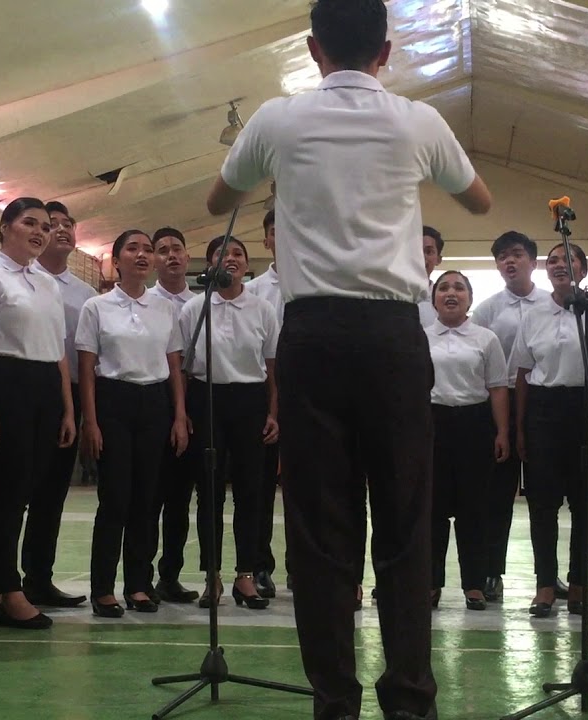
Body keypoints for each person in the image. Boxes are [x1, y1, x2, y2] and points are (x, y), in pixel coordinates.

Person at [205, 1, 491, 716]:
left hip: (312, 335)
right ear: (386, 51)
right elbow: (481, 203)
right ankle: (410, 700)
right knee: (405, 520)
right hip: (395, 337)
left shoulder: (276, 118)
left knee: (318, 528)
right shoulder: (417, 121)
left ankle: (334, 701)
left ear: (312, 47)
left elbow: (218, 201)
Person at [0, 197, 76, 630]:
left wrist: (68, 409)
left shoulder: (48, 282)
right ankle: (1, 587)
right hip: (5, 383)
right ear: (5, 227)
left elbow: (58, 354)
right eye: (29, 223)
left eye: (46, 226)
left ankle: (2, 585)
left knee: (34, 490)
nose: (40, 231)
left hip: (46, 388)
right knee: (8, 493)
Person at [76, 230, 189, 618]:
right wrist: (90, 421)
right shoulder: (97, 307)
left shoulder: (166, 309)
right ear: (116, 260)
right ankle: (103, 588)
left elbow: (174, 365)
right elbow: (87, 369)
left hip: (155, 403)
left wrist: (178, 415)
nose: (142, 255)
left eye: (147, 250)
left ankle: (138, 584)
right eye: (133, 249)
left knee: (147, 499)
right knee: (116, 499)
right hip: (113, 402)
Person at [179, 236, 280, 610]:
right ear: (209, 264)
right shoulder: (194, 308)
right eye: (221, 253)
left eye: (237, 253)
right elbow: (182, 366)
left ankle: (246, 575)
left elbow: (272, 368)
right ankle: (212, 576)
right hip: (207, 399)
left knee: (251, 493)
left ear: (246, 264)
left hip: (250, 401)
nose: (230, 259)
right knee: (209, 493)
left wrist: (273, 412)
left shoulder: (263, 309)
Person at [514, 244, 588, 617]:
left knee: (584, 503)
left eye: (568, 259)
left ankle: (578, 583)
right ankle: (544, 584)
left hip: (585, 409)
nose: (560, 265)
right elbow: (523, 373)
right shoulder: (533, 315)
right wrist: (522, 426)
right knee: (542, 504)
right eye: (553, 260)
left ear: (583, 270)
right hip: (543, 409)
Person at [22, 200, 97, 609]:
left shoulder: (86, 295)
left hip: (66, 394)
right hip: (22, 388)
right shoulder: (21, 277)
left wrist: (79, 411)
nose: (62, 230)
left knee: (52, 495)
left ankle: (39, 578)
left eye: (69, 224)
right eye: (53, 225)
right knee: (14, 492)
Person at [425, 270, 507, 611]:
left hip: (474, 424)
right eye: (443, 288)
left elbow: (498, 387)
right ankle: (430, 583)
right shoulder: (422, 337)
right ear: (434, 300)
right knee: (433, 511)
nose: (451, 293)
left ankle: (473, 584)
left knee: (474, 511)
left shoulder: (486, 338)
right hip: (432, 424)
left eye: (459, 287)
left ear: (470, 299)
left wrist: (502, 431)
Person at [468, 231, 541, 602]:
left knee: (545, 495)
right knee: (497, 495)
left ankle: (548, 579)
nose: (509, 262)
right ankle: (491, 570)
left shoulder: (550, 303)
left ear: (532, 260)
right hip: (500, 401)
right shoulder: (487, 309)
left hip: (543, 401)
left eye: (516, 255)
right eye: (501, 257)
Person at [146, 227, 201, 604]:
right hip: (154, 399)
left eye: (176, 249)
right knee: (151, 496)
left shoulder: (202, 303)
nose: (171, 256)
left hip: (194, 398)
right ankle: (140, 575)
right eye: (162, 250)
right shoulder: (145, 301)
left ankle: (171, 575)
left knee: (181, 497)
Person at [246, 209, 285, 599]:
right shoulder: (253, 291)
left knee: (310, 486)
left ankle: (305, 567)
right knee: (258, 485)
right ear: (267, 240)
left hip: (312, 392)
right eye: (276, 231)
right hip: (264, 393)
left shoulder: (314, 283)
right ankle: (259, 565)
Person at [417, 226, 444, 327]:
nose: (422, 257)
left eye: (428, 252)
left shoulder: (443, 299)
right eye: (416, 250)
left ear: (438, 259)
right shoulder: (393, 294)